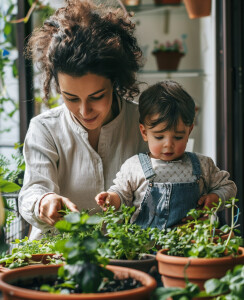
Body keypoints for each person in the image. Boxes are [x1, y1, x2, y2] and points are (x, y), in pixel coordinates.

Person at [18, 0, 149, 240]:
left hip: (128, 258)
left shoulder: (144, 123)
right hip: (57, 259)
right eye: (71, 98)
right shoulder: (45, 128)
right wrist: (43, 202)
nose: (84, 110)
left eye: (96, 96)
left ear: (115, 81)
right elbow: (33, 190)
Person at [95, 80, 237, 229]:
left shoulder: (203, 165)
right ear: (144, 132)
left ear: (189, 131)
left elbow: (228, 187)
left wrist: (216, 197)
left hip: (189, 245)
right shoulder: (134, 166)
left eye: (178, 137)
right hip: (146, 246)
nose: (168, 144)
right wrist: (111, 199)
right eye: (159, 137)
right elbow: (122, 195)